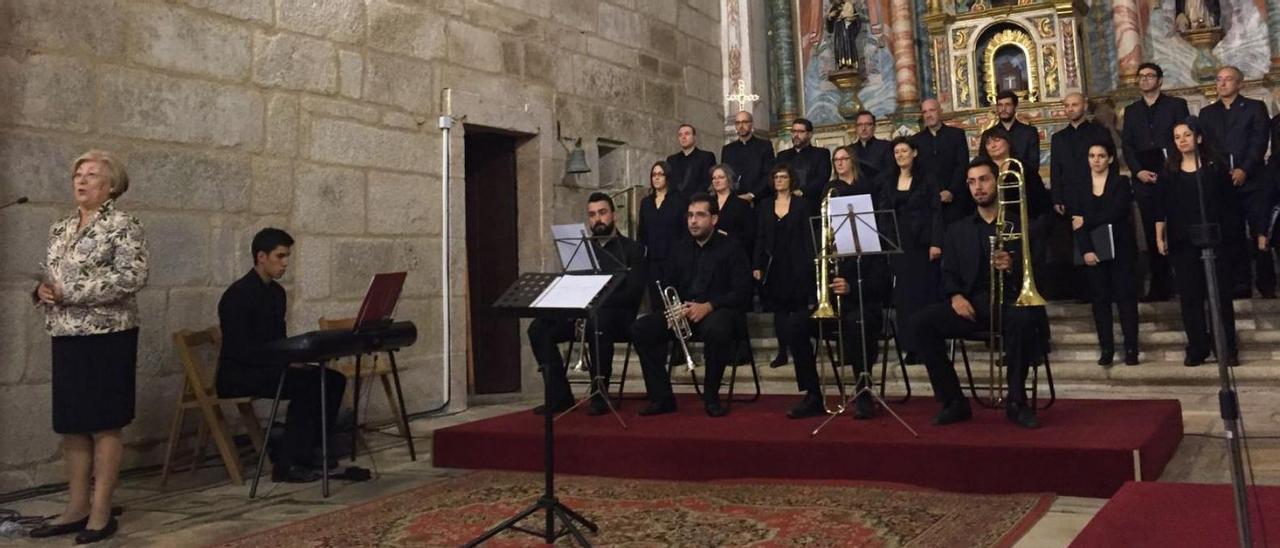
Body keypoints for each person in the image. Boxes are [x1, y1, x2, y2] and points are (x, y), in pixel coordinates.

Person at [29, 150, 148, 544]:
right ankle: (76, 506)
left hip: (108, 334)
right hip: (65, 334)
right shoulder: (60, 228)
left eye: (91, 174)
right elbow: (52, 277)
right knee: (73, 424)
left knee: (104, 421)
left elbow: (132, 276)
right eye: (77, 174)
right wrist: (43, 290)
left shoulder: (123, 225)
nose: (81, 180)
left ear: (111, 185)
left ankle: (101, 512)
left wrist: (71, 292)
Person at [911, 158, 1046, 429]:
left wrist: (1012, 267)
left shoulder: (1021, 225)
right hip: (972, 305)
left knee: (1023, 321)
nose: (978, 187)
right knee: (921, 323)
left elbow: (1040, 273)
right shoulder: (957, 230)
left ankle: (1016, 402)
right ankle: (953, 401)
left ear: (996, 181)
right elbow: (948, 273)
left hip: (1011, 304)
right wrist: (955, 297)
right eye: (972, 182)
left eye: (983, 179)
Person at [216, 228, 347, 483]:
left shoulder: (277, 293)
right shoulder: (237, 295)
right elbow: (240, 349)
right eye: (280, 256)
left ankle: (313, 450)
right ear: (261, 257)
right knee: (305, 385)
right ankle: (289, 463)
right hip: (239, 373)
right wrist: (285, 362)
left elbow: (279, 339)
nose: (285, 263)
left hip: (269, 366)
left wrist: (295, 357)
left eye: (287, 256)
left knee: (332, 379)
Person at [788, 148, 892, 419]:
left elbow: (882, 284)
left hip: (862, 306)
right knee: (796, 325)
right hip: (831, 309)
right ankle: (812, 394)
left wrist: (852, 288)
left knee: (857, 324)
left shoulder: (869, 236)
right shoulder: (824, 242)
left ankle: (864, 391)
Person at [631, 193, 754, 418]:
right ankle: (662, 397)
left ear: (714, 219)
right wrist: (674, 307)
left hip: (719, 311)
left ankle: (711, 397)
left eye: (699, 215)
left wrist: (709, 305)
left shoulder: (732, 247)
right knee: (641, 329)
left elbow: (743, 291)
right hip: (684, 312)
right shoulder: (680, 248)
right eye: (689, 215)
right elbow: (669, 283)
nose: (693, 221)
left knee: (716, 329)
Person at [526, 193, 647, 415]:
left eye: (602, 213)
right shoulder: (581, 249)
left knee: (598, 323)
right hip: (584, 313)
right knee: (538, 328)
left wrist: (598, 301)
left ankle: (600, 393)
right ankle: (559, 396)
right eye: (592, 215)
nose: (597, 219)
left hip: (617, 316)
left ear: (613, 215)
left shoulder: (632, 248)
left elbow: (633, 293)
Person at [1155, 118, 1239, 367]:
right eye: (1177, 137)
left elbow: (1230, 206)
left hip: (1214, 240)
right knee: (1190, 298)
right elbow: (1162, 207)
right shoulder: (1170, 172)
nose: (1182, 140)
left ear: (1199, 138)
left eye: (1187, 135)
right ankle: (1197, 347)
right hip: (1183, 242)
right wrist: (1160, 236)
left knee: (1220, 297)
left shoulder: (1215, 168)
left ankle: (1226, 347)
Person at [1197, 66, 1272, 299]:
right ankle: (1240, 284)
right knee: (1232, 234)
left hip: (1252, 182)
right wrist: (1221, 173)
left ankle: (1267, 283)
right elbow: (1207, 148)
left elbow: (1258, 142)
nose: (1222, 84)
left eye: (1228, 80)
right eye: (1219, 80)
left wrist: (1244, 170)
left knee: (1260, 232)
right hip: (1223, 183)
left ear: (1239, 84)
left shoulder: (1254, 108)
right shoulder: (1207, 114)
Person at [1121, 62, 1189, 302]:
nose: (1145, 80)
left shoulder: (1176, 105)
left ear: (1160, 80)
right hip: (1144, 179)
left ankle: (1184, 282)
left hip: (1172, 175)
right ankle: (1160, 285)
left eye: (1150, 76)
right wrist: (1138, 172)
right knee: (1152, 232)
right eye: (1141, 77)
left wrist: (1171, 167)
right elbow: (1127, 145)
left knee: (1178, 227)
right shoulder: (1131, 111)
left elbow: (1182, 138)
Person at [1074, 142, 1140, 366]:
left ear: (1110, 159)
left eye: (1101, 156)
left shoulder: (1121, 182)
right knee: (1100, 302)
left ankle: (1131, 348)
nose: (1096, 160)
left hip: (1121, 249)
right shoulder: (1081, 186)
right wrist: (1086, 251)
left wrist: (1088, 221)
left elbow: (1118, 211)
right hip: (1094, 251)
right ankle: (1107, 348)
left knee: (1125, 299)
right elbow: (1076, 222)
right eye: (1092, 155)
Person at [877, 137, 942, 364]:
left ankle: (929, 346)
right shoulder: (888, 180)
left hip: (922, 244)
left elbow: (936, 211)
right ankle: (910, 347)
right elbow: (883, 212)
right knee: (904, 299)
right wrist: (885, 242)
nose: (900, 155)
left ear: (914, 153)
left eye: (904, 151)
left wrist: (936, 242)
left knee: (923, 295)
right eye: (897, 152)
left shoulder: (927, 179)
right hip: (898, 244)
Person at [754, 165, 816, 374]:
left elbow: (808, 235)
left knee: (798, 309)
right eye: (776, 177)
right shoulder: (764, 205)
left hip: (797, 262)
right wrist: (757, 265)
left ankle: (802, 350)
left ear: (791, 180)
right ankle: (782, 351)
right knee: (779, 311)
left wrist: (810, 263)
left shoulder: (802, 204)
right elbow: (760, 236)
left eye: (783, 177)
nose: (780, 180)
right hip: (774, 264)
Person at [1051, 93, 1115, 216]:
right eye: (1067, 105)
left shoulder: (1100, 132)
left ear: (1085, 106)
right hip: (1070, 197)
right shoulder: (1058, 138)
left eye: (1075, 105)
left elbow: (1112, 164)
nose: (1070, 109)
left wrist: (1110, 192)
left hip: (1096, 194)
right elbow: (1055, 170)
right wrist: (1057, 198)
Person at [637, 161, 689, 308]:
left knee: (674, 304)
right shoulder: (646, 203)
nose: (656, 178)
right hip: (653, 261)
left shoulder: (679, 200)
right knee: (655, 304)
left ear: (668, 177)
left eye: (660, 174)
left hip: (674, 259)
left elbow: (684, 231)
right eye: (654, 175)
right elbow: (642, 233)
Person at [912, 98, 972, 225]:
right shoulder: (916, 140)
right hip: (928, 203)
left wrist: (951, 191)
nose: (928, 115)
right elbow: (916, 171)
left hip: (955, 200)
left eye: (932, 110)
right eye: (925, 112)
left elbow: (962, 165)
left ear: (940, 111)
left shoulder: (957, 135)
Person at [720, 110, 776, 203]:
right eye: (738, 123)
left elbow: (769, 173)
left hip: (759, 199)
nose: (741, 126)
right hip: (734, 199)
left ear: (751, 124)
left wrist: (752, 194)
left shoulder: (764, 146)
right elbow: (725, 175)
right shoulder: (728, 149)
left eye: (745, 122)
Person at [776, 117, 833, 201]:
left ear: (810, 134)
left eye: (800, 132)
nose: (796, 135)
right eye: (794, 131)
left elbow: (822, 178)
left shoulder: (821, 154)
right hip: (787, 201)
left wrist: (802, 191)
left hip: (811, 200)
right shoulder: (782, 156)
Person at [993, 90, 1041, 174]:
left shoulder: (1030, 132)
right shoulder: (989, 134)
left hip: (1026, 182)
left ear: (1015, 107)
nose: (1003, 109)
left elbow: (1034, 165)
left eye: (1007, 105)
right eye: (1000, 105)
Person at [710, 163, 756, 251]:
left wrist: (728, 235)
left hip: (733, 252)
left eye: (721, 177)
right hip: (710, 252)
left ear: (729, 179)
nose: (716, 180)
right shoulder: (707, 202)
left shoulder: (742, 204)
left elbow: (749, 234)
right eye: (714, 178)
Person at [665, 124, 717, 200]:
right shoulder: (671, 160)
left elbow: (707, 182)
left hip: (698, 202)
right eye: (680, 135)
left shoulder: (707, 157)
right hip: (675, 203)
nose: (683, 137)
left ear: (694, 137)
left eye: (687, 134)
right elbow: (670, 183)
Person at [851, 110, 894, 181]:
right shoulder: (850, 150)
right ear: (856, 128)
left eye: (868, 124)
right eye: (860, 125)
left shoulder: (886, 146)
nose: (863, 128)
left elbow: (890, 172)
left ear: (874, 127)